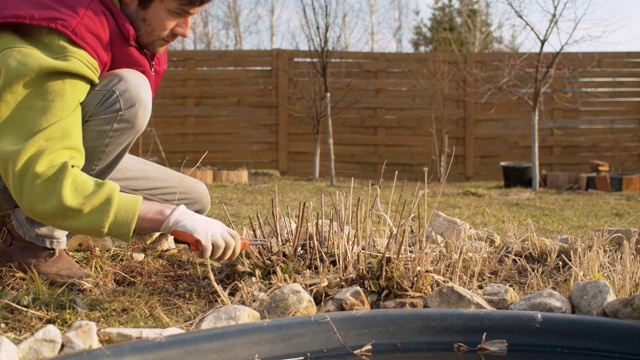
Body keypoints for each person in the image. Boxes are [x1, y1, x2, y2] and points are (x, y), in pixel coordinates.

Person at [0, 0, 242, 284]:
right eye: (177, 14)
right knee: (128, 93)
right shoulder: (63, 31)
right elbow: (45, 180)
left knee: (191, 200)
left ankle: (51, 218)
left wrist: (177, 214)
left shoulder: (133, 34)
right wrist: (167, 217)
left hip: (48, 152)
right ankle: (31, 239)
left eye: (191, 16)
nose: (185, 31)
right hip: (22, 166)